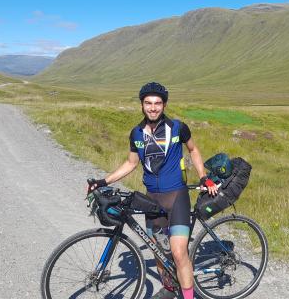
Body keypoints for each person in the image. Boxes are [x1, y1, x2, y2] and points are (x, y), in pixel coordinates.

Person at [91, 82, 218, 299]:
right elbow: (131, 163)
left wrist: (204, 177)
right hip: (152, 199)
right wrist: (103, 181)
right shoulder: (136, 134)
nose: (153, 107)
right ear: (142, 105)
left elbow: (194, 149)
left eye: (157, 103)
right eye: (148, 103)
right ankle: (171, 290)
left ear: (164, 105)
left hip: (177, 196)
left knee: (178, 253)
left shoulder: (178, 128)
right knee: (158, 253)